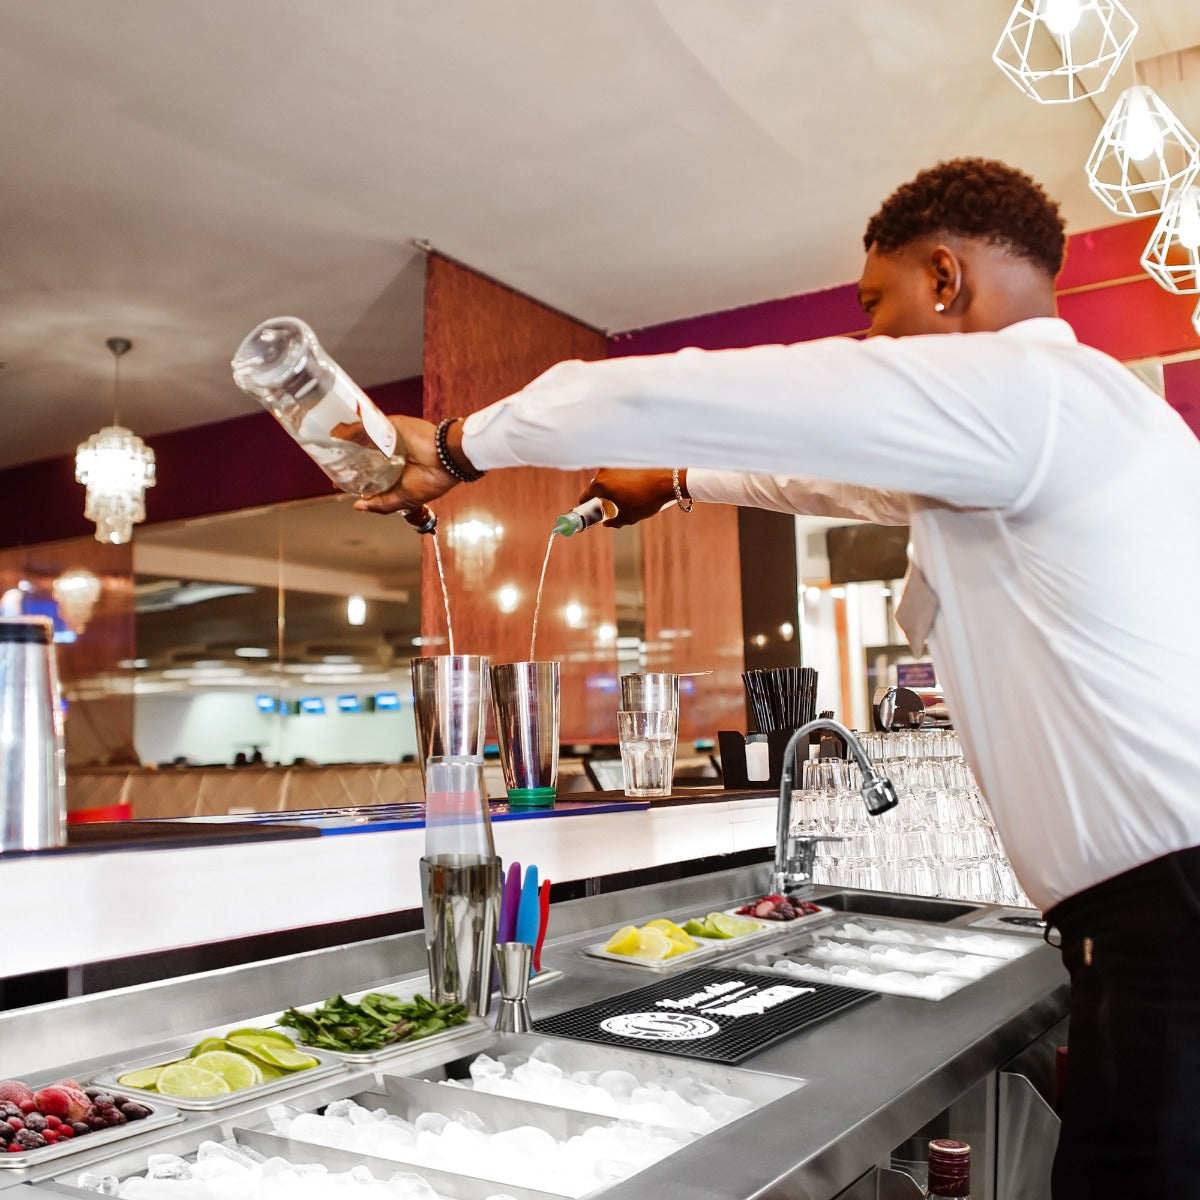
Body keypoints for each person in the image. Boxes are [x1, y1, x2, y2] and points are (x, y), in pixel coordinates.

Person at [356, 158, 1200, 1195]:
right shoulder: (1077, 412)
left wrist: (457, 443)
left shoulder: (1028, 394)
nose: (872, 341)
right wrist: (674, 478)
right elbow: (841, 478)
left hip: (1177, 921)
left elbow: (693, 392)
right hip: (1148, 922)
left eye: (876, 309)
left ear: (945, 277)